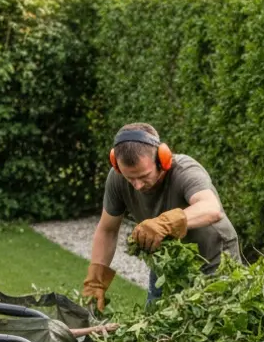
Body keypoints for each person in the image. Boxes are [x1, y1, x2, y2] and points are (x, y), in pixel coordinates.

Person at [81, 123, 240, 311]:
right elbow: (107, 230)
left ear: (162, 160)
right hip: (167, 262)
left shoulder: (185, 170)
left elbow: (211, 208)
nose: (137, 186)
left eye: (144, 176)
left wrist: (163, 223)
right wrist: (96, 281)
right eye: (130, 179)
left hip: (212, 258)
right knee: (158, 326)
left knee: (213, 327)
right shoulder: (117, 178)